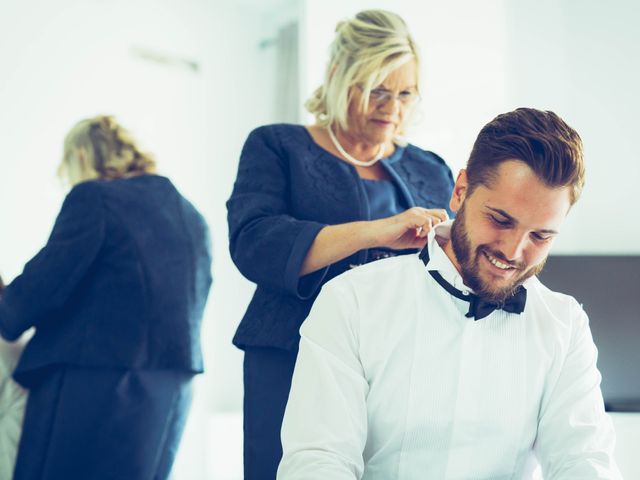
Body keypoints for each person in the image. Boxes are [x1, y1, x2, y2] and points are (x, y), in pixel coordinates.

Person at [278, 108, 623, 479]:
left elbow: (583, 460)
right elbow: (318, 461)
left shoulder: (564, 324)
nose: (513, 251)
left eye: (540, 236)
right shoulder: (352, 302)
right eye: (500, 219)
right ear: (460, 192)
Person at [226, 10, 455, 478]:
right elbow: (255, 243)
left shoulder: (431, 168)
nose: (392, 108)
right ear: (337, 77)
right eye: (376, 90)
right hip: (289, 354)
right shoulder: (277, 146)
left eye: (405, 93)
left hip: (401, 365)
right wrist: (376, 231)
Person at [0, 115, 213, 480]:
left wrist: (8, 306)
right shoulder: (191, 213)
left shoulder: (94, 197)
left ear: (82, 156)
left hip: (98, 387)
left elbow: (44, 286)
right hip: (171, 393)